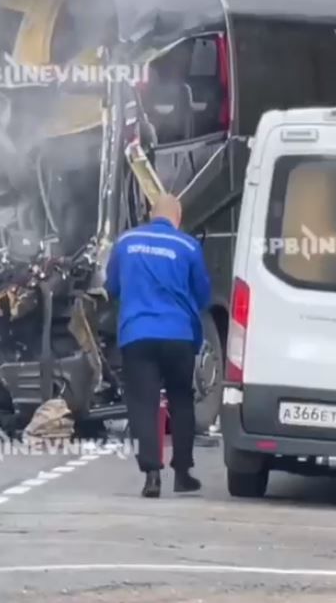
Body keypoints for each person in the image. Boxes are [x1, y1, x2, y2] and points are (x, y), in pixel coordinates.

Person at [105, 193, 210, 498]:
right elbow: (203, 295)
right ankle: (182, 473)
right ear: (177, 217)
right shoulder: (188, 246)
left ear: (152, 214)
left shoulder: (126, 242)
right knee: (181, 400)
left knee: (143, 404)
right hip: (179, 335)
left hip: (138, 334)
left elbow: (112, 286)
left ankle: (152, 474)